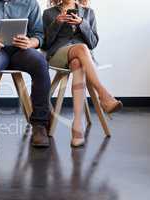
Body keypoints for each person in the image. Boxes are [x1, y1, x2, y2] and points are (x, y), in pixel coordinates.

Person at [0, 0, 52, 147]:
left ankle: (39, 125)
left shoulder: (30, 4)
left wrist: (30, 43)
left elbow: (39, 35)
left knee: (40, 62)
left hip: (22, 51)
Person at [43, 0, 123, 147]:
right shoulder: (49, 13)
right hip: (59, 55)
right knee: (82, 48)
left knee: (78, 63)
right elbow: (45, 44)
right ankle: (104, 96)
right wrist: (57, 23)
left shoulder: (88, 13)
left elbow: (93, 43)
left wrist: (82, 23)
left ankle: (78, 126)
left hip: (82, 58)